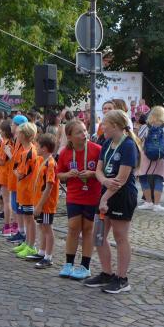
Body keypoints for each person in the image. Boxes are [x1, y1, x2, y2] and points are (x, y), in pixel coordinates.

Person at [85, 110, 139, 294]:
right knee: (98, 235)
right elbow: (99, 170)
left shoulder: (128, 145)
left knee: (120, 236)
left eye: (105, 124)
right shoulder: (107, 143)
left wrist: (104, 197)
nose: (102, 127)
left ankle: (122, 278)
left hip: (122, 196)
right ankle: (106, 273)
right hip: (106, 192)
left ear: (115, 125)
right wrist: (104, 181)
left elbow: (121, 179)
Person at [57, 119, 102, 280]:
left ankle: (85, 266)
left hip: (92, 195)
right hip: (74, 195)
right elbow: (59, 174)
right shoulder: (65, 153)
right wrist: (68, 175)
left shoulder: (97, 150)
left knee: (88, 229)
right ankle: (68, 264)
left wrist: (93, 174)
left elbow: (103, 172)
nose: (84, 134)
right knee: (73, 228)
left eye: (84, 130)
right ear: (69, 136)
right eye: (79, 132)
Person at [137, 106, 164, 211]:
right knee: (159, 178)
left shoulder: (145, 127)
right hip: (161, 156)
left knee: (143, 177)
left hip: (146, 155)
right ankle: (157, 204)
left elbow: (139, 142)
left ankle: (148, 202)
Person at [29, 133, 59, 269]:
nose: (36, 148)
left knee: (47, 228)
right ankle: (42, 252)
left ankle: (48, 257)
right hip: (40, 203)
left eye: (38, 146)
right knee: (42, 227)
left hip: (46, 204)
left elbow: (49, 186)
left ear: (44, 148)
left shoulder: (50, 163)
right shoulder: (43, 160)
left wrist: (40, 205)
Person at [12, 122, 40, 259]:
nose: (16, 136)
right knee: (26, 217)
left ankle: (31, 245)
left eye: (18, 133)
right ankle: (27, 242)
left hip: (28, 191)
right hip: (24, 190)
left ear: (23, 135)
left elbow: (20, 174)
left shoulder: (28, 153)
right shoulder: (27, 151)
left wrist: (14, 170)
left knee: (29, 219)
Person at [5, 115, 29, 244]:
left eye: (13, 124)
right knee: (16, 208)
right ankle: (20, 231)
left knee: (20, 209)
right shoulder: (16, 141)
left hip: (19, 180)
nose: (11, 126)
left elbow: (19, 162)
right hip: (15, 179)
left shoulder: (22, 144)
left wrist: (9, 154)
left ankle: (23, 233)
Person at [0, 120, 15, 236]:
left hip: (5, 175)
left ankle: (7, 227)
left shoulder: (6, 143)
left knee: (7, 201)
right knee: (11, 201)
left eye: (0, 130)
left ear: (4, 132)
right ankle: (14, 226)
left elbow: (1, 161)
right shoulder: (12, 142)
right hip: (9, 174)